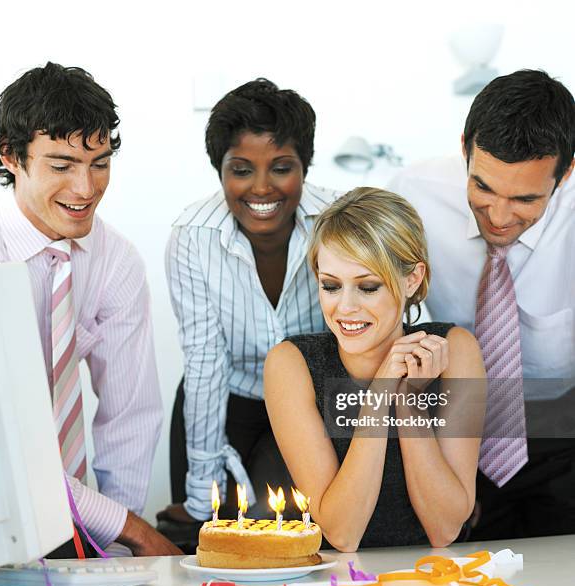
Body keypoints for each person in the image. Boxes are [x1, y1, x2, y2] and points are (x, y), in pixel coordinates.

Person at [0, 62, 180, 555]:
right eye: (61, 166)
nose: (85, 189)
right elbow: (3, 438)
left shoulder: (116, 260)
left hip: (72, 520)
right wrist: (130, 528)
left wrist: (118, 552)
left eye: (99, 163)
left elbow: (129, 414)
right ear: (11, 158)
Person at [388, 69, 575, 539]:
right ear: (465, 147)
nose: (499, 215)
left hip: (563, 426)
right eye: (484, 188)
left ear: (566, 173)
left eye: (526, 199)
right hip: (454, 421)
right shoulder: (413, 195)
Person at [158, 79, 340, 538]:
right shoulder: (192, 237)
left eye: (281, 167)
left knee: (274, 527)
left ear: (305, 167)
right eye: (241, 169)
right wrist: (201, 484)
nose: (261, 188)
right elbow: (204, 360)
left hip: (310, 402)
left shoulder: (338, 220)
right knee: (208, 531)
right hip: (225, 395)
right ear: (219, 170)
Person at [264, 187, 486, 550]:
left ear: (412, 279)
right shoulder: (291, 364)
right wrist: (381, 391)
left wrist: (409, 400)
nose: (345, 307)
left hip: (431, 582)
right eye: (331, 286)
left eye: (367, 287)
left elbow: (445, 529)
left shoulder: (455, 350)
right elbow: (342, 533)